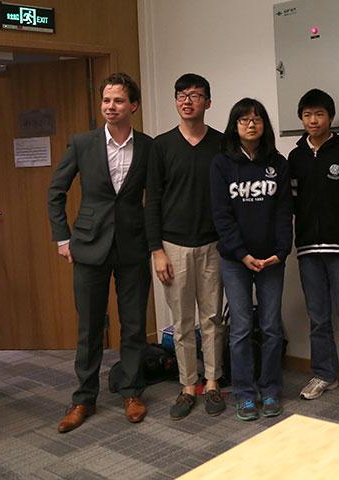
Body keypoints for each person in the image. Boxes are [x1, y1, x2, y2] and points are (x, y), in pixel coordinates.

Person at [48, 73, 153, 433]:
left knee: (134, 325)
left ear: (133, 106)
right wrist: (62, 239)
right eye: (106, 101)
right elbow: (55, 192)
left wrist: (156, 245)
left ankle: (132, 391)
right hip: (89, 245)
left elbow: (154, 200)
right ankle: (83, 399)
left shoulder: (148, 146)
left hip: (132, 246)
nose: (110, 107)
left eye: (118, 101)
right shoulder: (82, 143)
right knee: (89, 326)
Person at [145, 73, 226, 419]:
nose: (188, 100)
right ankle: (186, 385)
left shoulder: (222, 144)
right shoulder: (160, 146)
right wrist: (157, 250)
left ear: (208, 102)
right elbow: (152, 202)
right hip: (172, 245)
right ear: (175, 101)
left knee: (211, 319)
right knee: (181, 322)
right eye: (182, 95)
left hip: (213, 244)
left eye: (196, 95)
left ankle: (212, 383)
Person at [209, 98, 293, 421]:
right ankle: (245, 393)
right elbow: (222, 215)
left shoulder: (278, 163)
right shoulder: (221, 164)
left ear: (264, 125)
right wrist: (242, 255)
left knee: (271, 327)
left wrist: (280, 252)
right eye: (244, 119)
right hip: (234, 260)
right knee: (241, 327)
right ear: (235, 125)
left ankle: (270, 389)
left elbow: (285, 212)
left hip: (272, 259)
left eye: (257, 119)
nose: (251, 124)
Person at [288, 89, 339, 402]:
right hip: (308, 251)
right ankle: (324, 373)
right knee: (318, 317)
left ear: (330, 117)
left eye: (319, 114)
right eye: (307, 115)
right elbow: (291, 205)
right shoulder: (295, 158)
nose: (313, 120)